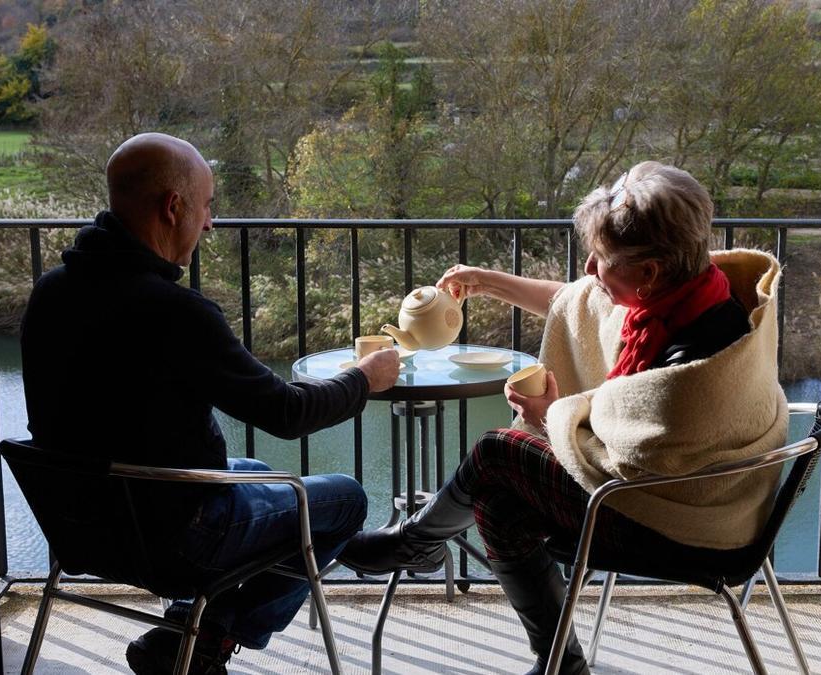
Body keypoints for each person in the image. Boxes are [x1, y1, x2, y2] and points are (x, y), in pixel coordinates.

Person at [338, 161, 789, 675]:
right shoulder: (692, 296)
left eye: (601, 258)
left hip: (683, 524)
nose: (591, 270)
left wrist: (552, 416)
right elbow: (576, 302)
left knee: (496, 452)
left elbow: (637, 456)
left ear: (648, 272)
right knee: (497, 500)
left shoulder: (696, 357)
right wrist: (486, 282)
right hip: (694, 498)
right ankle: (559, 663)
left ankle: (415, 543)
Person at [20, 132, 401, 674]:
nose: (210, 223)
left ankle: (184, 631)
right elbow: (286, 412)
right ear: (173, 207)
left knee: (263, 475)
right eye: (206, 206)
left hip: (84, 527)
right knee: (342, 501)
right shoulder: (173, 312)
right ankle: (209, 639)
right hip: (176, 536)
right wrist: (365, 377)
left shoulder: (52, 293)